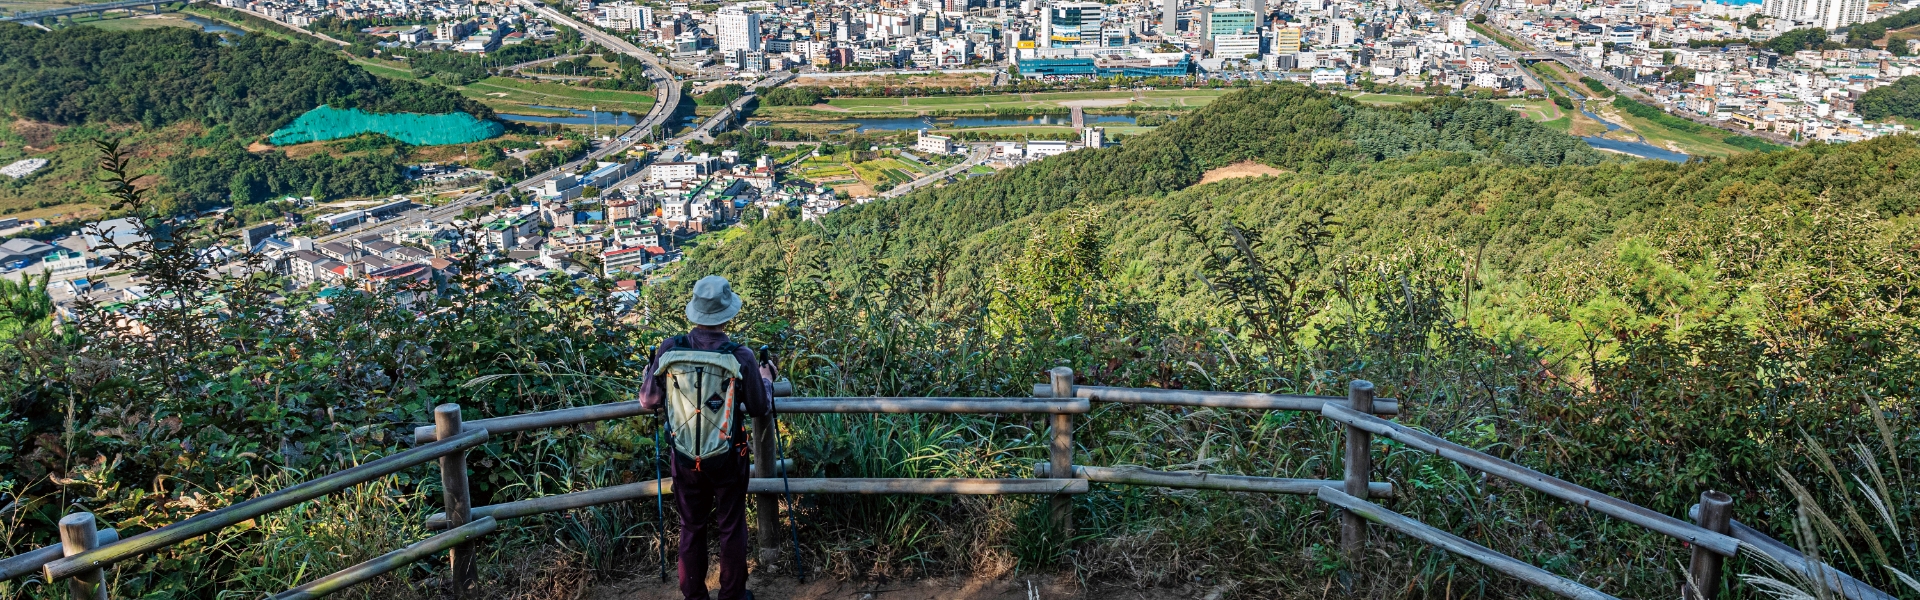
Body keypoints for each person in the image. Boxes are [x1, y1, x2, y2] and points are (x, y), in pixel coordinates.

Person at [639, 275, 773, 600]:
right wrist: (767, 379)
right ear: (727, 315)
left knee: (691, 527)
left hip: (684, 457)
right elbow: (758, 407)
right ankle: (732, 595)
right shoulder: (741, 356)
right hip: (729, 455)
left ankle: (694, 596)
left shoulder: (671, 349)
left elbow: (648, 400)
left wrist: (648, 373)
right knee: (731, 526)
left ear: (695, 313)